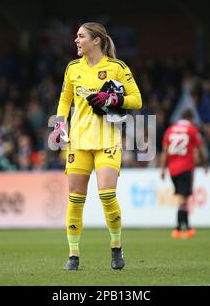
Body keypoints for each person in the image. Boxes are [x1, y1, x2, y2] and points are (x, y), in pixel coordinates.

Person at [51, 22, 142, 270]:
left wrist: (113, 97)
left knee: (106, 194)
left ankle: (116, 247)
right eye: (76, 37)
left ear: (96, 41)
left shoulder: (117, 67)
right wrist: (60, 125)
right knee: (75, 199)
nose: (76, 41)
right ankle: (73, 255)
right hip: (79, 142)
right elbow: (64, 100)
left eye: (81, 36)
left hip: (107, 141)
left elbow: (137, 100)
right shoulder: (72, 68)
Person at [160, 109, 208, 239]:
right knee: (183, 198)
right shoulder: (192, 130)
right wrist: (205, 164)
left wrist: (162, 169)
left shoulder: (170, 130)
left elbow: (165, 151)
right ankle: (177, 228)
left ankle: (188, 227)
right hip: (186, 167)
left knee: (184, 198)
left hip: (172, 169)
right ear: (191, 119)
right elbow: (200, 149)